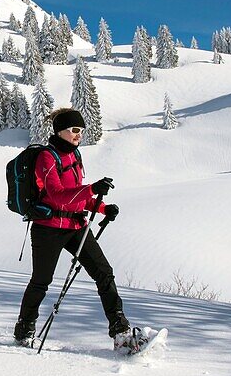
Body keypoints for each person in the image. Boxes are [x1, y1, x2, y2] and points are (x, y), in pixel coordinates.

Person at [14, 107, 147, 352]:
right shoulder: (47, 157)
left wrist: (104, 208)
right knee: (41, 281)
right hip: (48, 228)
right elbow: (56, 195)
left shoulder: (74, 155)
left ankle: (120, 332)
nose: (79, 135)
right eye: (75, 130)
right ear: (60, 131)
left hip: (76, 225)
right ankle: (25, 329)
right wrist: (91, 189)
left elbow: (76, 196)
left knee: (104, 272)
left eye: (81, 130)